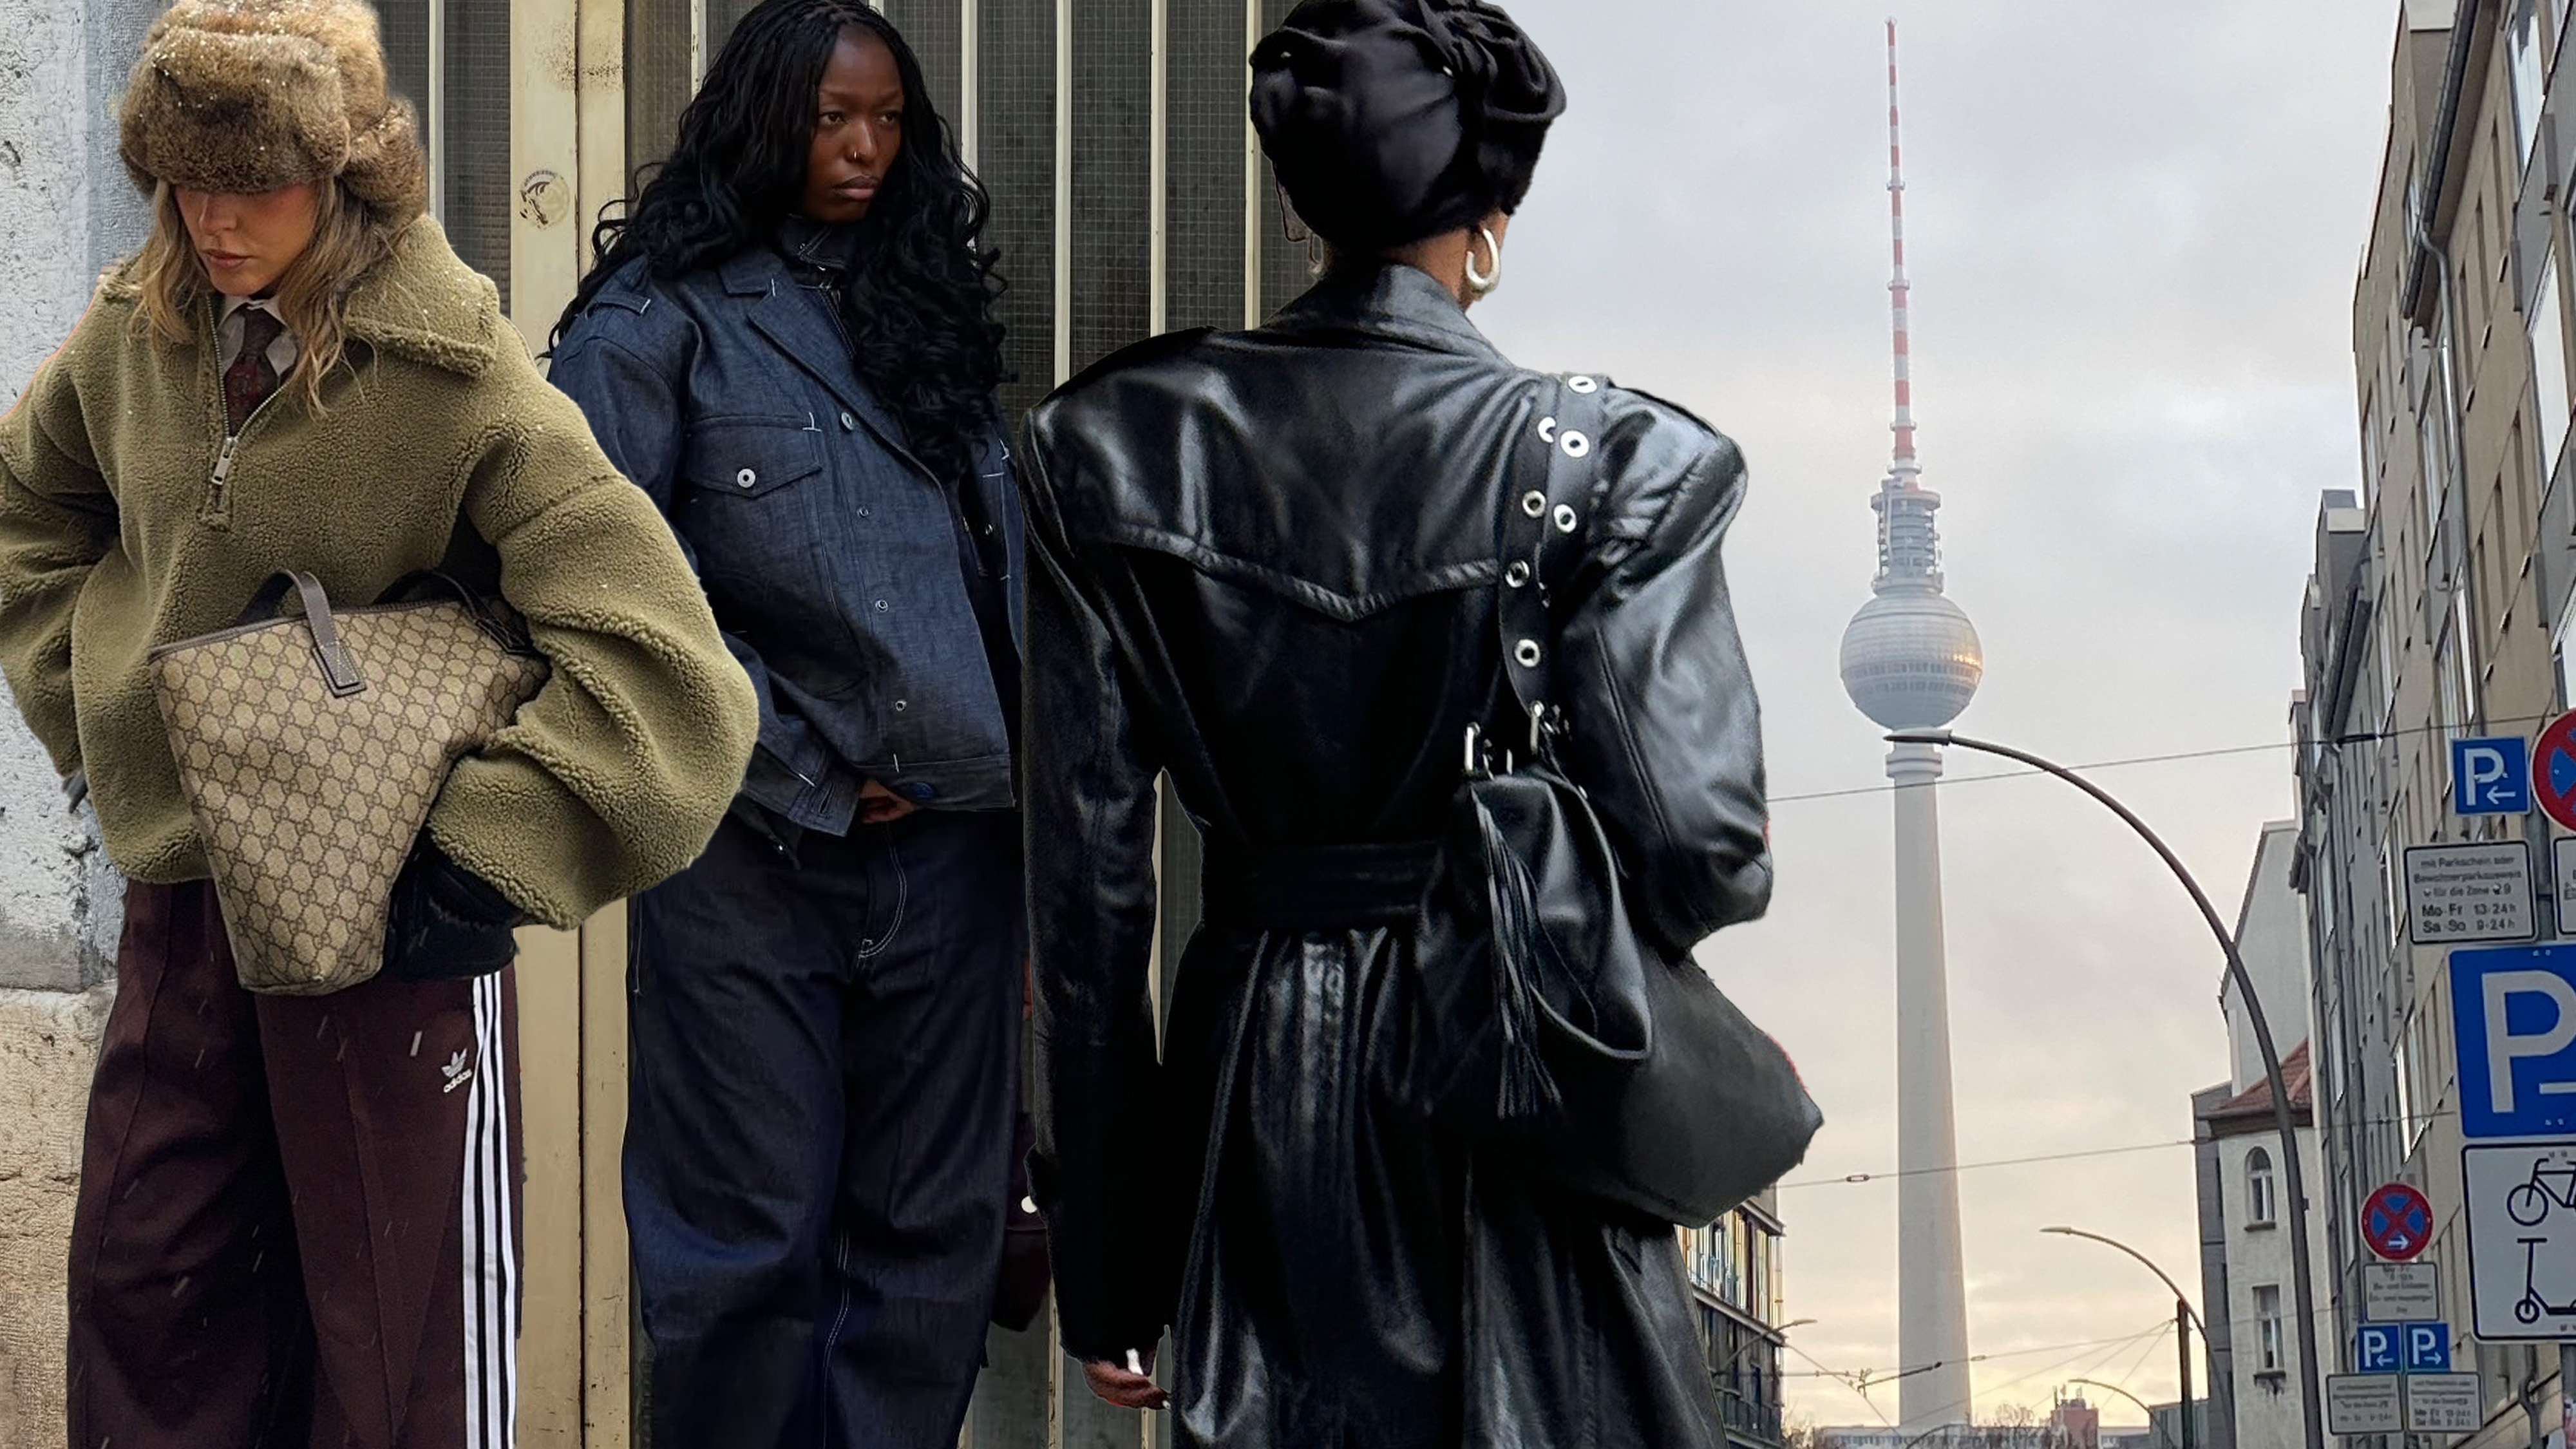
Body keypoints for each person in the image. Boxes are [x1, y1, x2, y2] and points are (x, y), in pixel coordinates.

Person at [0, 2, 761, 1446]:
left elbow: (672, 677)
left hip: (386, 935)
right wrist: (93, 709)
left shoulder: (454, 377)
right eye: (185, 179)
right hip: (184, 913)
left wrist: (469, 859)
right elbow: (24, 510)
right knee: (149, 1314)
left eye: (258, 182)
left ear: (345, 178)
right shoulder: (131, 333)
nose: (216, 218)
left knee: (403, 1350)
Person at [1017, 0, 1774, 1444]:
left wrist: (1113, 1262)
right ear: (1488, 220)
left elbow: (1089, 914)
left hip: (1263, 1102)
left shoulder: (1104, 449)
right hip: (1522, 1078)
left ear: (1295, 202)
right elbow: (1705, 851)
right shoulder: (1623, 464)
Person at [544, 4, 1023, 1444]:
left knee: (928, 1257)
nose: (865, 148)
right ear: (763, 122)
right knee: (743, 1257)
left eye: (887, 119)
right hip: (748, 863)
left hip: (949, 865)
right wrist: (798, 760)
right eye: (829, 119)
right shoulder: (653, 323)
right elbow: (584, 586)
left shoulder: (924, 314)